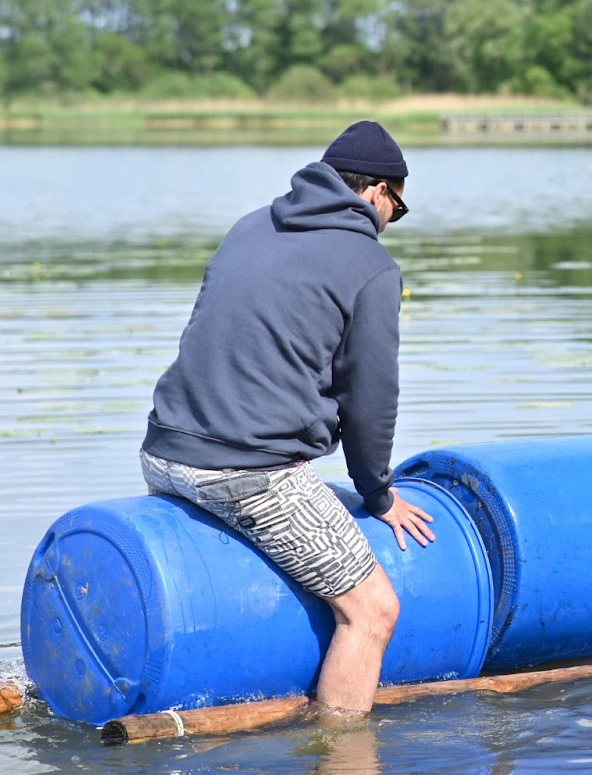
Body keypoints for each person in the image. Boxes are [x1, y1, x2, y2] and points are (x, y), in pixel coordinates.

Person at [140, 119, 435, 719]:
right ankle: (343, 749)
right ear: (378, 191)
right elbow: (371, 396)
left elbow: (204, 331)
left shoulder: (250, 226)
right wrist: (378, 495)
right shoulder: (370, 265)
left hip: (164, 451)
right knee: (373, 610)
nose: (389, 224)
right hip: (247, 472)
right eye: (396, 210)